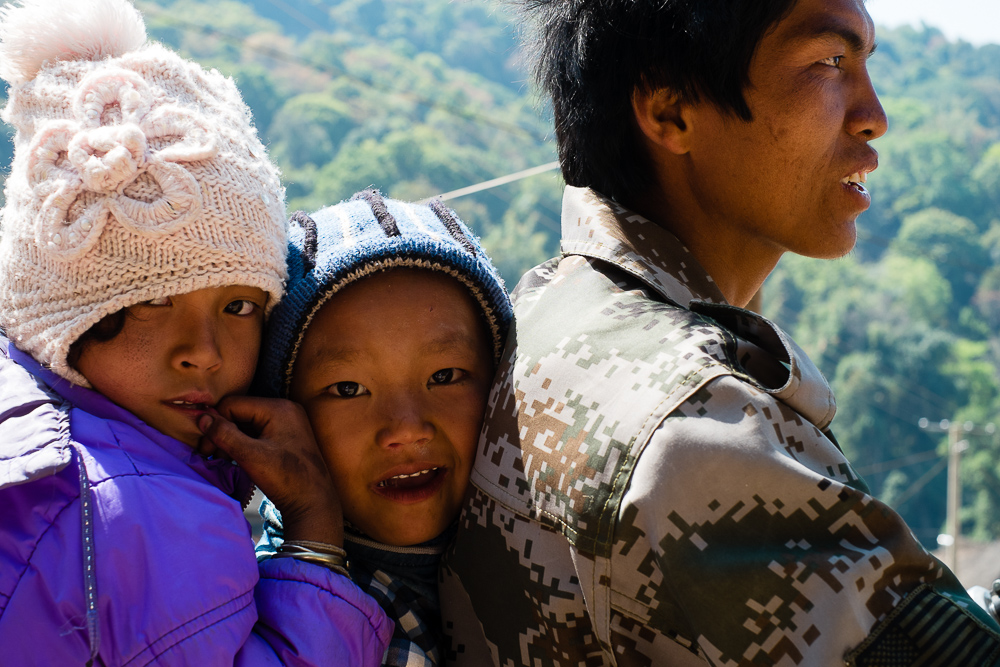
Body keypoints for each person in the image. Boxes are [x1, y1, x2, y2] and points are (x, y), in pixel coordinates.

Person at [439, 0, 1000, 664]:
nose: (874, 115)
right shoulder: (697, 429)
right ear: (671, 111)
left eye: (864, 64)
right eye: (828, 62)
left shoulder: (544, 308)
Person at [0, 0, 392, 663]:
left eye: (240, 306)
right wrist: (316, 534)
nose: (203, 353)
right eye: (151, 299)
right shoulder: (147, 517)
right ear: (60, 311)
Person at [237, 192, 513, 667]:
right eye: (347, 389)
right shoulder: (272, 620)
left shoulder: (538, 550)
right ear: (283, 414)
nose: (406, 430)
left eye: (444, 377)